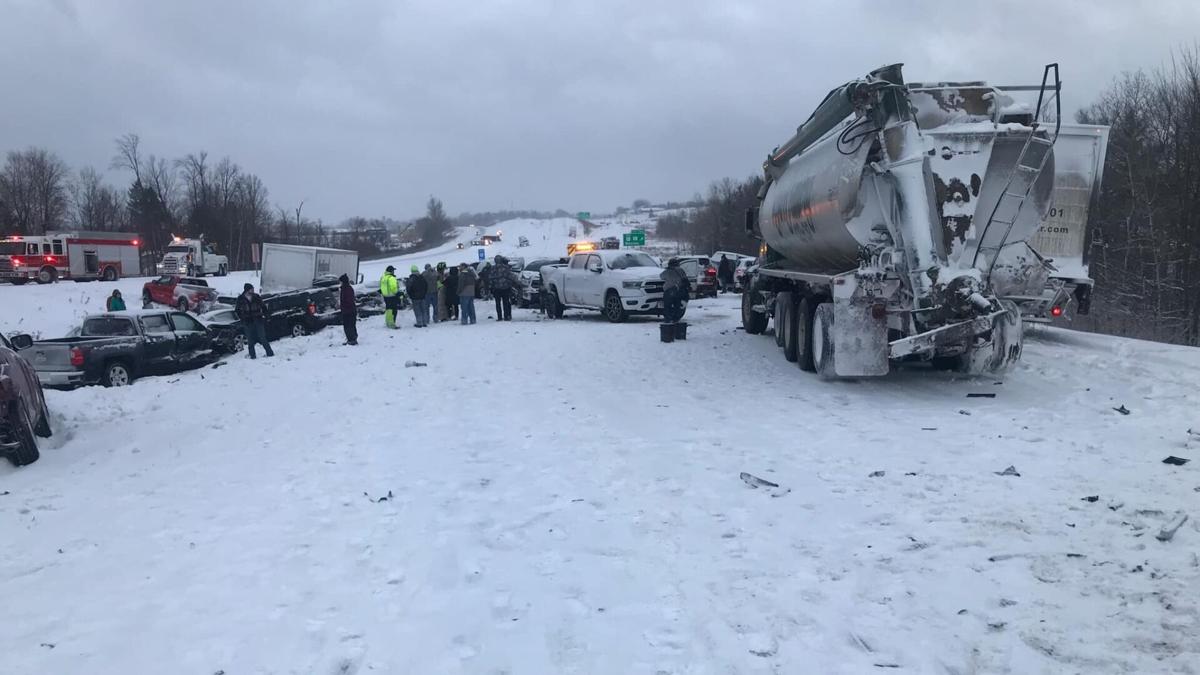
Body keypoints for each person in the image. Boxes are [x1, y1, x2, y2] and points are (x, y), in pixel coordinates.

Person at [235, 283, 274, 359]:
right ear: (247, 290)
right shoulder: (240, 298)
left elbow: (263, 307)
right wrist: (242, 318)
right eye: (251, 289)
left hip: (258, 320)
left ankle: (270, 353)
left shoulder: (256, 297)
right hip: (247, 321)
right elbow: (237, 310)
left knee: (262, 337)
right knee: (250, 339)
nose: (253, 290)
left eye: (252, 289)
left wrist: (267, 316)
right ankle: (252, 355)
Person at [661, 258, 691, 323]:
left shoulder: (667, 271)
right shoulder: (681, 270)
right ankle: (676, 319)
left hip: (669, 291)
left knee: (667, 306)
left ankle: (668, 319)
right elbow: (685, 278)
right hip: (679, 290)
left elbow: (661, 276)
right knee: (677, 305)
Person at [491, 256, 516, 321]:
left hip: (496, 289)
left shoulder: (493, 268)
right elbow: (510, 277)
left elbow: (490, 278)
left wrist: (491, 287)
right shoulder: (506, 267)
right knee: (506, 302)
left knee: (498, 304)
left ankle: (499, 317)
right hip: (506, 288)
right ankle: (506, 316)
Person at [339, 274, 358, 345]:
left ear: (343, 282)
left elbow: (349, 300)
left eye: (340, 282)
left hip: (348, 311)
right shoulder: (345, 288)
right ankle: (352, 339)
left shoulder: (346, 289)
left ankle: (352, 339)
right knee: (350, 325)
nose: (339, 283)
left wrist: (344, 306)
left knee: (348, 326)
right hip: (348, 310)